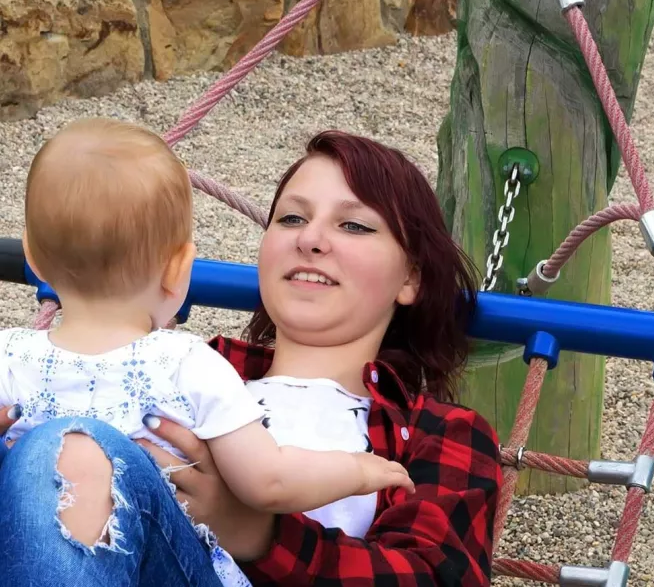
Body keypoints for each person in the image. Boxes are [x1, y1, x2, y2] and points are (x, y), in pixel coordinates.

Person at [0, 129, 503, 586]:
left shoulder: (441, 433)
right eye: (291, 218)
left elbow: (433, 578)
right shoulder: (175, 367)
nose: (310, 239)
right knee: (59, 453)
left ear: (411, 276)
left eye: (353, 225)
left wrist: (261, 535)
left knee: (74, 452)